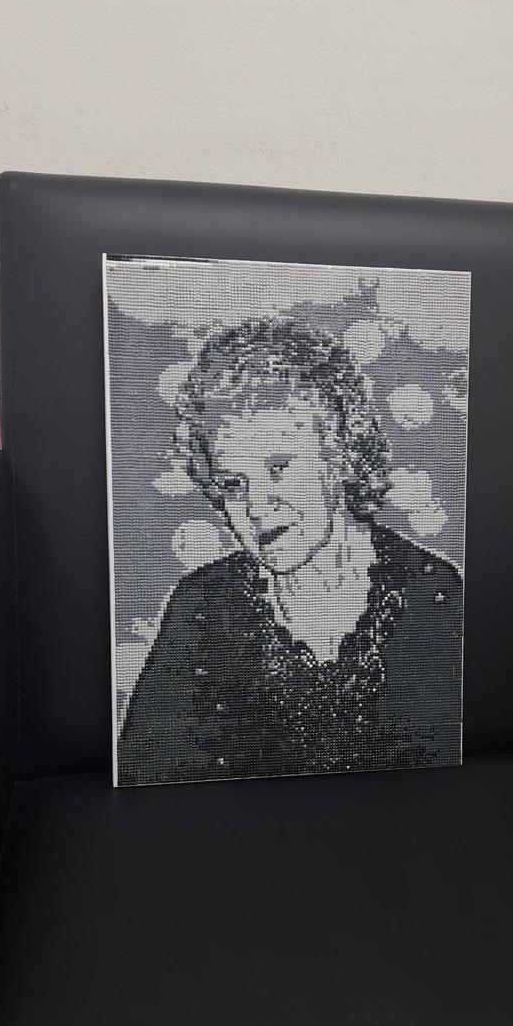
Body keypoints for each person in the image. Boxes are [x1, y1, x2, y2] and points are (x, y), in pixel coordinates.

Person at [118, 318, 463, 784]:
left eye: (279, 468)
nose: (257, 507)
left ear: (339, 457)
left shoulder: (434, 596)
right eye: (233, 484)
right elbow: (146, 775)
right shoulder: (201, 605)